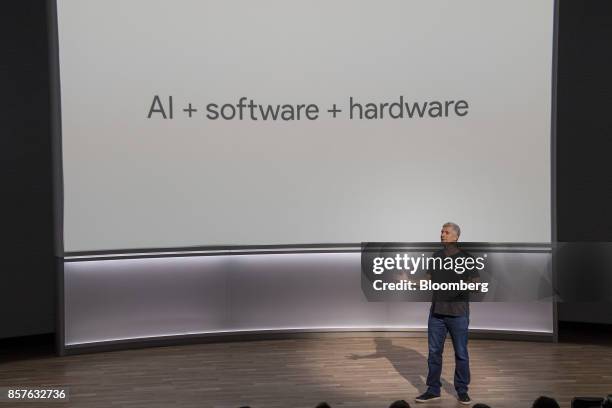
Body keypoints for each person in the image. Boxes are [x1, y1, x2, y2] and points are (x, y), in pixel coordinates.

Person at [415, 222, 479, 405]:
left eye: (446, 232)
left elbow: (476, 283)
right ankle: (433, 390)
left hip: (458, 314)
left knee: (461, 353)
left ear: (456, 237)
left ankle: (462, 390)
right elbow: (427, 281)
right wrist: (409, 282)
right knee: (434, 353)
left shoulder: (467, 257)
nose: (442, 235)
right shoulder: (436, 256)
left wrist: (463, 285)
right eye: (441, 232)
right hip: (436, 314)